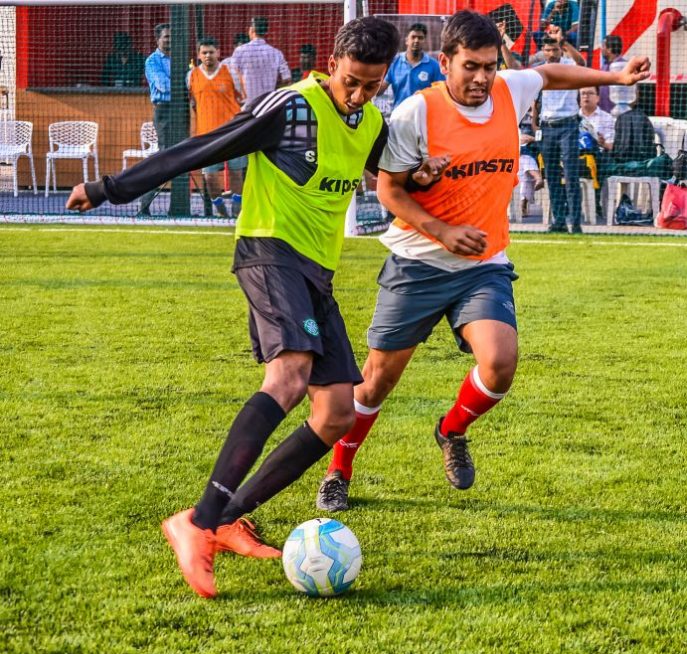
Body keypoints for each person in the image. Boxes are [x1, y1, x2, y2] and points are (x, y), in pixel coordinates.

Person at [65, 17, 421, 599]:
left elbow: (396, 176)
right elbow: (198, 149)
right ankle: (198, 522)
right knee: (289, 373)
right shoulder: (292, 107)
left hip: (316, 277)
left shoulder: (373, 122)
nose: (359, 94)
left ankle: (232, 517)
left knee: (336, 415)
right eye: (352, 80)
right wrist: (110, 188)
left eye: (372, 84)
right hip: (267, 251)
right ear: (333, 62)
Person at [314, 8, 650, 513]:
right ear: (445, 61)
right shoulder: (415, 113)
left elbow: (549, 74)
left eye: (490, 66)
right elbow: (389, 189)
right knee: (378, 379)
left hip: (483, 263)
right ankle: (339, 470)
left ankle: (451, 430)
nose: (482, 77)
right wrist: (442, 230)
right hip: (418, 263)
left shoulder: (506, 90)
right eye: (470, 66)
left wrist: (615, 75)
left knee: (499, 364)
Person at [187, 36, 245, 218]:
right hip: (206, 136)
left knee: (236, 173)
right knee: (210, 178)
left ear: (218, 53)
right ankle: (221, 213)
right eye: (204, 52)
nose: (208, 55)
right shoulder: (191, 76)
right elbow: (193, 103)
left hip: (232, 133)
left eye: (211, 52)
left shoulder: (231, 73)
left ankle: (237, 211)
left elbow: (242, 99)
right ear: (198, 55)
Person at [537, 36, 583, 233]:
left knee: (572, 175)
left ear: (561, 50)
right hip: (548, 126)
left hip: (568, 124)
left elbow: (582, 62)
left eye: (555, 49)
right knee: (552, 175)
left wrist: (564, 42)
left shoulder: (569, 64)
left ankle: (576, 222)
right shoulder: (540, 69)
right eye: (548, 50)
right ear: (543, 50)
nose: (552, 54)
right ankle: (558, 221)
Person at [137, 23, 171, 216]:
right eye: (166, 37)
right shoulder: (152, 61)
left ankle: (178, 206)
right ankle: (144, 204)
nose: (170, 40)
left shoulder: (180, 57)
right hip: (164, 111)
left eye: (171, 36)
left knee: (184, 155)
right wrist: (182, 82)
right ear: (157, 39)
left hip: (180, 111)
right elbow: (164, 86)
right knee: (165, 157)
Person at [232, 16, 291, 107]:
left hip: (246, 105)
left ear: (251, 30)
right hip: (268, 105)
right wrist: (274, 92)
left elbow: (232, 76)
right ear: (266, 31)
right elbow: (287, 79)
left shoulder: (240, 51)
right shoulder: (276, 53)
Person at [384, 23, 445, 108]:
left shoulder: (434, 65)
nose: (416, 40)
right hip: (399, 115)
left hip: (423, 116)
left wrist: (425, 94)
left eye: (420, 38)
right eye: (413, 37)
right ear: (407, 40)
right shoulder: (395, 63)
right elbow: (380, 88)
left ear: (425, 41)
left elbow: (442, 92)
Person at [579, 86, 614, 152]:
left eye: (590, 93)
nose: (586, 96)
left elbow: (612, 146)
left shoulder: (607, 117)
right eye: (583, 93)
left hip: (599, 157)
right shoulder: (572, 118)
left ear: (597, 98)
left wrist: (602, 143)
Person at [598, 34, 626, 113]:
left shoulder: (623, 66)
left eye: (603, 46)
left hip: (618, 114)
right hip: (603, 114)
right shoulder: (604, 66)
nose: (601, 49)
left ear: (609, 50)